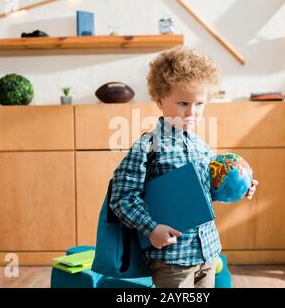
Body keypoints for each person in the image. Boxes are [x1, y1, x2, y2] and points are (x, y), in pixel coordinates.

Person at [109, 46, 258, 288]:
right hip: (172, 259)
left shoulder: (202, 148)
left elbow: (206, 195)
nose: (192, 112)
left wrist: (240, 187)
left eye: (199, 104)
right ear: (160, 101)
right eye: (183, 103)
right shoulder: (147, 147)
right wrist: (152, 228)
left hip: (208, 252)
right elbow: (122, 199)